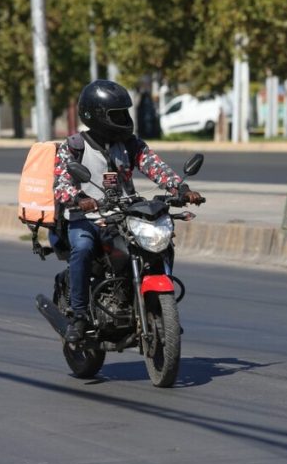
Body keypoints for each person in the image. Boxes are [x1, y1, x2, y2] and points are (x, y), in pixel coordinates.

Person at [54, 79, 203, 342]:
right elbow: (62, 183)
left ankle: (156, 307)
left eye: (125, 112)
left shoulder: (131, 144)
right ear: (97, 115)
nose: (124, 119)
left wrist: (180, 189)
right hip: (86, 217)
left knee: (159, 243)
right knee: (83, 249)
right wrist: (78, 198)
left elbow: (156, 167)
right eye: (117, 114)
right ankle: (78, 316)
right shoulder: (74, 146)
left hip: (123, 214)